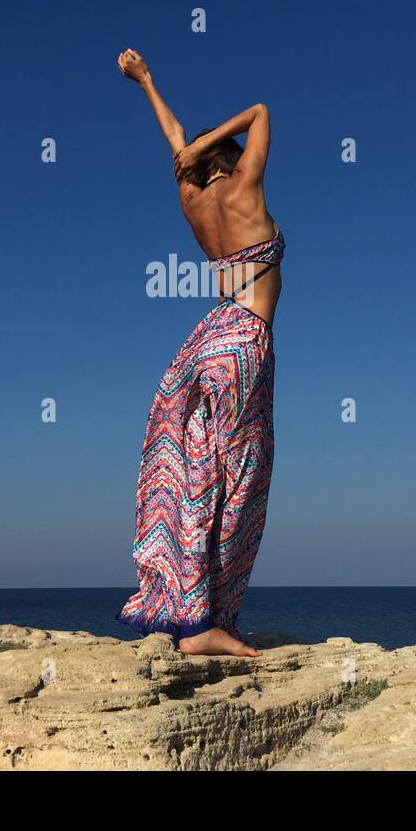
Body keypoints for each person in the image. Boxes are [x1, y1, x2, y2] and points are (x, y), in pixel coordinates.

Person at [113, 48, 284, 657]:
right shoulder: (244, 191)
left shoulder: (193, 200)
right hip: (242, 343)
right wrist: (213, 137)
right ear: (229, 159)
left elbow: (175, 137)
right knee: (239, 478)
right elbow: (262, 111)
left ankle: (182, 606)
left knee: (191, 474)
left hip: (201, 342)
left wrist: (146, 81)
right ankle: (207, 623)